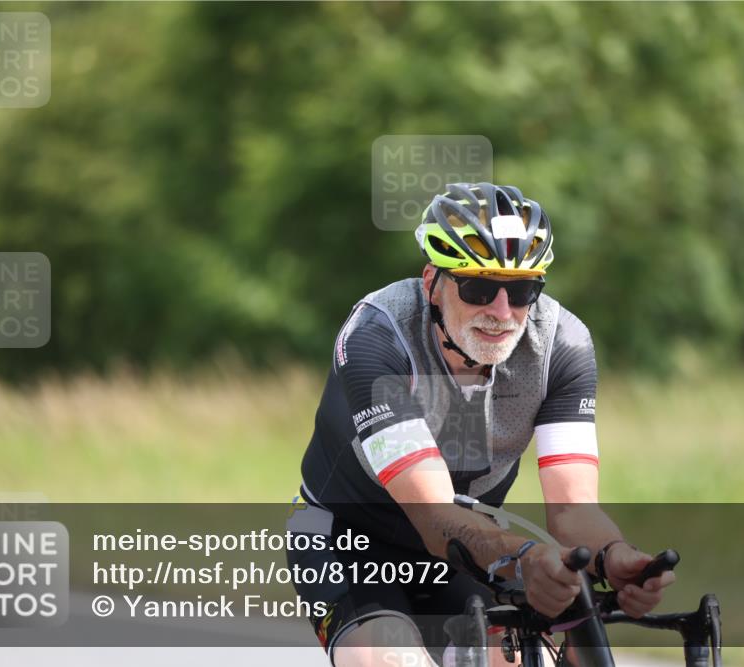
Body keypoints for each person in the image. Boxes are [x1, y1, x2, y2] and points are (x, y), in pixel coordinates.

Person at [288, 183, 674, 666]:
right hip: (350, 538)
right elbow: (433, 514)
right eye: (478, 287)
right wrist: (527, 556)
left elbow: (573, 509)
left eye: (520, 291)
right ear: (433, 281)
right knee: (388, 657)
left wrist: (611, 555)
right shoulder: (378, 337)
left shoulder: (562, 345)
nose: (500, 312)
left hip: (468, 547)